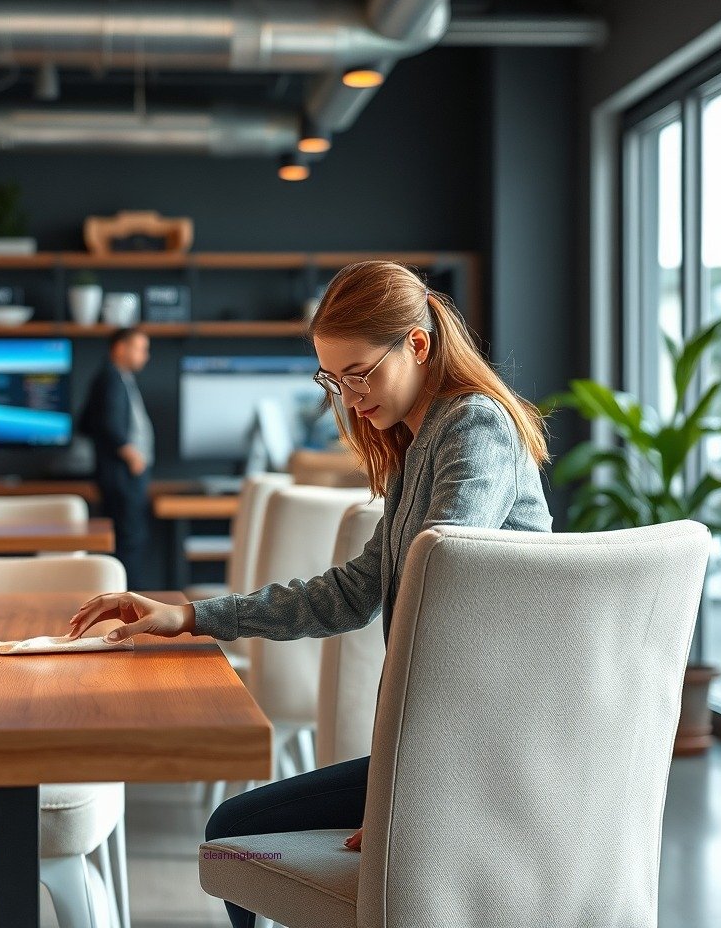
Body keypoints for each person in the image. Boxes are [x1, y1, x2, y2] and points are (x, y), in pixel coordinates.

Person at [68, 260, 552, 928]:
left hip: (483, 755)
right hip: (443, 747)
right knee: (234, 831)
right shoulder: (420, 445)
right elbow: (352, 593)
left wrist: (401, 800)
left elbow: (440, 604)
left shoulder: (475, 428)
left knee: (237, 834)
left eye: (360, 373)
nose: (349, 399)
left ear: (416, 344)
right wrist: (185, 617)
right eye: (334, 379)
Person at [80, 326, 154, 590]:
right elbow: (109, 425)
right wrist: (131, 453)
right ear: (120, 348)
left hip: (119, 475)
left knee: (127, 538)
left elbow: (85, 422)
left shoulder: (114, 376)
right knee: (129, 540)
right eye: (140, 348)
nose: (145, 356)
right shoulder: (111, 378)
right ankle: (131, 601)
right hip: (122, 475)